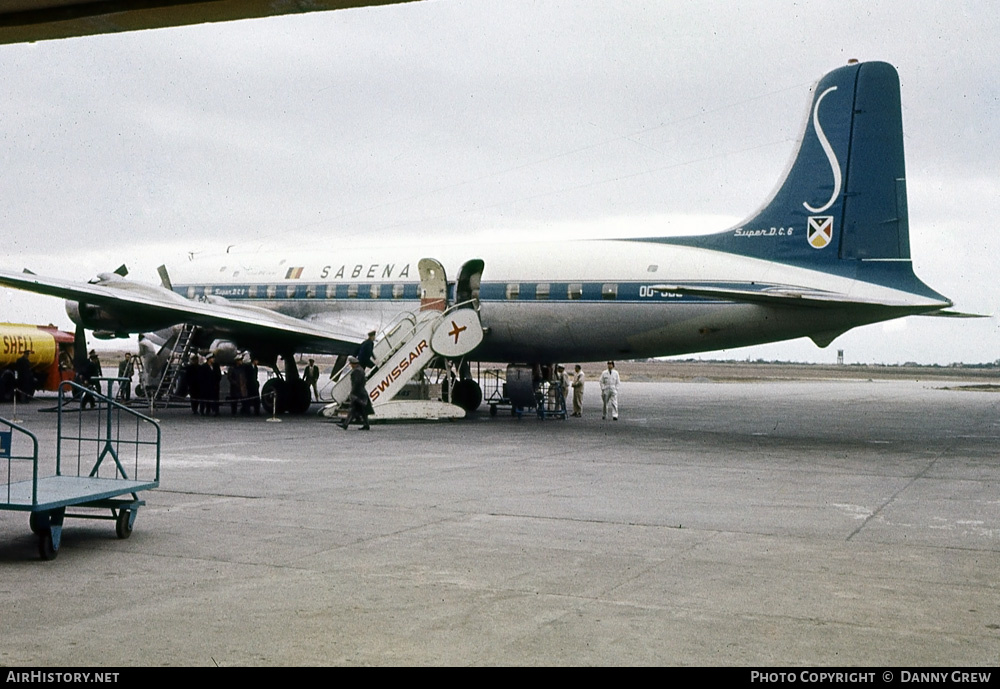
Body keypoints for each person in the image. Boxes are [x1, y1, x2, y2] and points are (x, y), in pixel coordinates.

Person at [339, 356, 371, 430]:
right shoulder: (361, 369)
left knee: (353, 409)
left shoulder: (356, 371)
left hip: (358, 393)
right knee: (361, 410)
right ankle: (365, 425)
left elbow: (356, 383)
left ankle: (345, 425)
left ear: (354, 364)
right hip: (361, 392)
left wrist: (352, 392)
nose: (351, 365)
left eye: (351, 364)